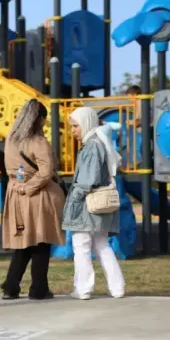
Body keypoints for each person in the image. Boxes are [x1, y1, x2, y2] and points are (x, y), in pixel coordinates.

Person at [0, 99, 66, 300]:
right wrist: (29, 186)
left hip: (14, 192)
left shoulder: (10, 138)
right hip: (36, 194)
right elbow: (46, 172)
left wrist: (20, 185)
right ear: (39, 119)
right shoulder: (37, 141)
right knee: (41, 240)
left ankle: (11, 286)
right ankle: (38, 288)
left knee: (24, 242)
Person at [63, 107, 126, 300]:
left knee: (81, 246)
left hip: (86, 204)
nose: (73, 130)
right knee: (102, 246)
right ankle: (117, 288)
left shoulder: (91, 146)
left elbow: (88, 179)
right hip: (97, 204)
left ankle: (83, 288)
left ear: (86, 123)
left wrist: (73, 198)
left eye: (75, 126)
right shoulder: (99, 143)